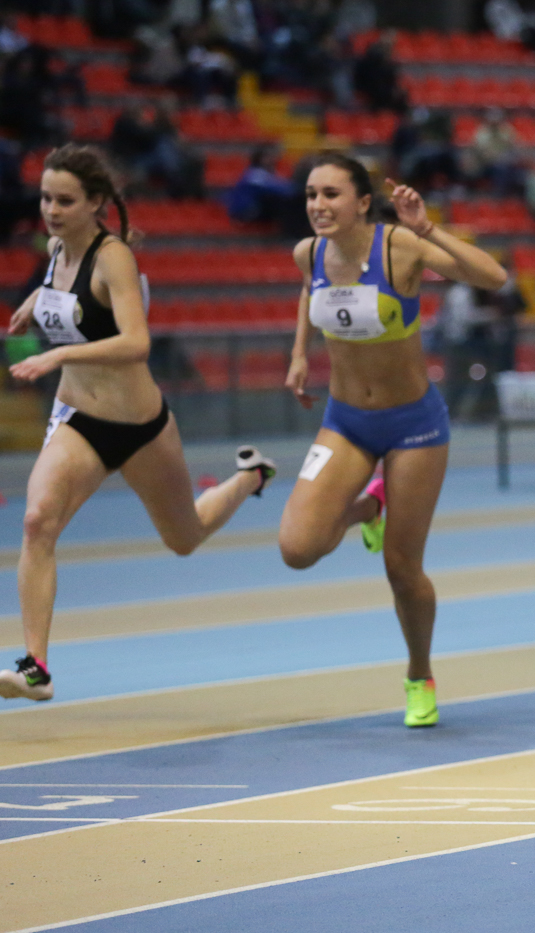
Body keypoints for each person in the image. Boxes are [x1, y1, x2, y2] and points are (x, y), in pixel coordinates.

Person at [0, 144, 276, 703]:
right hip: (79, 422)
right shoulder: (56, 249)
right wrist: (34, 301)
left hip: (140, 427)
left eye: (64, 201)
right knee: (36, 522)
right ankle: (36, 668)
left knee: (185, 538)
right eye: (46, 198)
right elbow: (64, 291)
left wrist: (57, 355)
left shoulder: (114, 258)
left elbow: (136, 343)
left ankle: (250, 477)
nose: (51, 210)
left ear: (96, 202)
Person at [278, 153, 507, 728]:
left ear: (362, 202)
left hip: (414, 427)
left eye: (331, 194)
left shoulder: (397, 248)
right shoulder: (309, 252)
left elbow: (493, 278)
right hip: (345, 422)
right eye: (311, 194)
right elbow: (309, 292)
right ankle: (368, 507)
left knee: (402, 568)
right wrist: (300, 354)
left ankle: (418, 674)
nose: (317, 205)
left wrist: (428, 229)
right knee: (297, 548)